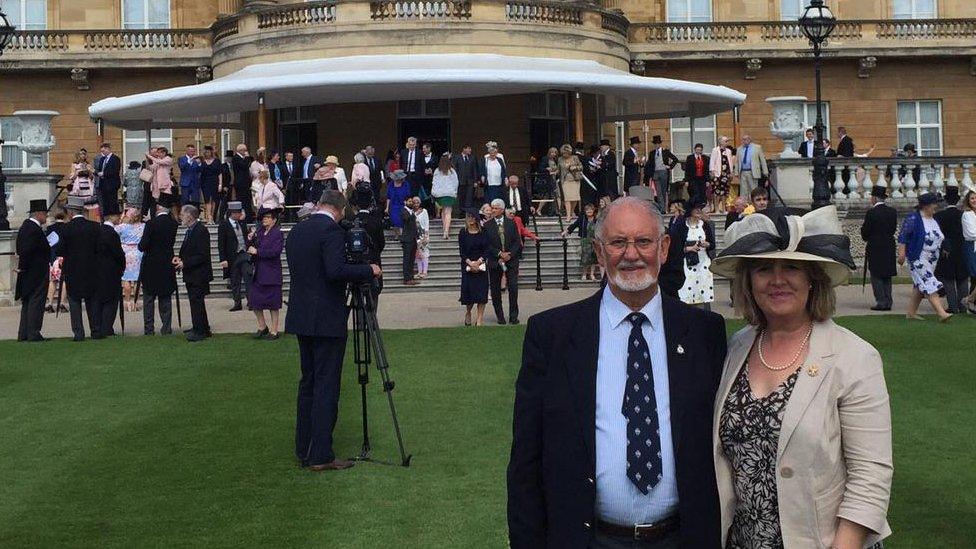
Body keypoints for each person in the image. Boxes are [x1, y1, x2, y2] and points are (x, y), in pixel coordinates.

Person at [508, 196, 728, 548]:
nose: (631, 254)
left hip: (682, 538)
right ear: (598, 251)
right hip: (589, 539)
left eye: (643, 241)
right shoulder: (552, 335)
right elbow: (525, 463)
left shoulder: (704, 333)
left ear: (664, 247)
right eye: (617, 242)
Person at [710, 205, 891, 549]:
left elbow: (870, 479)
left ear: (812, 278)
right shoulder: (736, 347)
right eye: (764, 269)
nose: (778, 279)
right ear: (748, 281)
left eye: (791, 267)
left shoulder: (854, 357)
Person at [285, 189, 381, 471]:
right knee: (326, 384)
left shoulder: (297, 231)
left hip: (302, 315)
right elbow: (335, 270)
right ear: (339, 210)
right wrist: (369, 270)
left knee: (308, 383)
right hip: (326, 318)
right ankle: (321, 454)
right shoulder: (331, 233)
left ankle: (305, 447)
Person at [899, 192, 952, 322]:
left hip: (932, 259)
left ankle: (911, 313)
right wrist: (901, 253)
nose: (936, 206)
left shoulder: (934, 220)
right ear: (926, 206)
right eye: (934, 204)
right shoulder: (914, 218)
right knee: (929, 282)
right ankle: (941, 313)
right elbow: (903, 236)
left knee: (920, 285)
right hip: (918, 257)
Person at [59, 196, 102, 341]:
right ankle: (95, 330)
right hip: (91, 268)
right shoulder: (94, 227)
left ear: (70, 212)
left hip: (73, 269)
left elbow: (61, 250)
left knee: (74, 302)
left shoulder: (66, 229)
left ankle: (78, 332)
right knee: (92, 301)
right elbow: (99, 249)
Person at [138, 193, 179, 336]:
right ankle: (166, 327)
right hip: (166, 263)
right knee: (165, 297)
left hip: (151, 264)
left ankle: (149, 329)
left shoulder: (151, 224)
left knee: (149, 298)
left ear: (159, 208)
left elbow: (143, 245)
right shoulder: (173, 224)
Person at [176, 205, 214, 341]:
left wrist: (185, 263)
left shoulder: (200, 231)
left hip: (199, 273)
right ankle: (201, 326)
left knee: (197, 301)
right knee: (195, 302)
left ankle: (200, 330)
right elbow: (187, 249)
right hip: (192, 273)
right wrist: (180, 258)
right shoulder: (190, 230)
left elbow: (202, 255)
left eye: (182, 214)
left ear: (189, 216)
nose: (180, 216)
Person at [16, 199, 50, 342]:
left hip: (29, 271)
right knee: (36, 301)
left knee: (28, 302)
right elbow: (27, 251)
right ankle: (33, 332)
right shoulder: (32, 229)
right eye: (45, 214)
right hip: (36, 271)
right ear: (39, 214)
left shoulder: (26, 227)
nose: (46, 217)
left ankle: (24, 332)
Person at [247, 207, 284, 339]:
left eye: (267, 217)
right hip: (259, 272)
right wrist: (250, 239)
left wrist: (258, 252)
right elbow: (252, 247)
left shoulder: (277, 234)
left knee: (273, 304)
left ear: (274, 220)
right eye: (264, 217)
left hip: (272, 272)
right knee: (254, 301)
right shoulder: (260, 232)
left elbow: (275, 252)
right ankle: (262, 326)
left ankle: (274, 330)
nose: (264, 219)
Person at [672, 199, 715, 308]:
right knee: (688, 290)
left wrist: (707, 244)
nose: (698, 211)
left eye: (700, 209)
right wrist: (689, 248)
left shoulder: (704, 225)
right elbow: (675, 246)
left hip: (703, 262)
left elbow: (712, 244)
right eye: (696, 208)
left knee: (703, 290)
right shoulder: (681, 225)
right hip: (688, 263)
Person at [860, 186, 898, 311]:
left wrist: (865, 234)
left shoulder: (871, 213)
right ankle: (888, 300)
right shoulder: (892, 212)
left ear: (875, 198)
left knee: (876, 274)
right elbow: (893, 229)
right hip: (888, 244)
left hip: (875, 245)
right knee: (887, 274)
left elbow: (866, 231)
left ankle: (881, 300)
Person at [485, 198, 522, 324]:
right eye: (492, 208)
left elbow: (517, 241)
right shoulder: (487, 225)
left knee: (513, 287)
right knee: (495, 290)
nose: (493, 211)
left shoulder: (511, 223)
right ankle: (500, 316)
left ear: (501, 209)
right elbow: (487, 244)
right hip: (495, 261)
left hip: (511, 260)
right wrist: (499, 254)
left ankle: (513, 316)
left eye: (495, 208)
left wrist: (509, 254)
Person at [934, 187, 970, 314]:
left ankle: (953, 306)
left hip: (947, 250)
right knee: (962, 278)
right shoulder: (964, 215)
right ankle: (963, 306)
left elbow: (938, 235)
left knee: (948, 280)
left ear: (945, 200)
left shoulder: (939, 216)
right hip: (962, 249)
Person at [218, 201, 251, 311]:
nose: (240, 214)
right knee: (235, 280)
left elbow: (245, 238)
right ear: (232, 213)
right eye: (238, 212)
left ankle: (251, 301)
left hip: (244, 254)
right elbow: (221, 243)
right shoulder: (224, 225)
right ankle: (237, 302)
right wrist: (223, 259)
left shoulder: (242, 223)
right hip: (232, 256)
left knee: (248, 277)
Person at [96, 212, 125, 336]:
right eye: (117, 215)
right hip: (111, 271)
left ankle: (99, 325)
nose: (119, 217)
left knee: (100, 300)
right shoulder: (112, 233)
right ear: (111, 217)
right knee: (111, 300)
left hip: (98, 270)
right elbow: (118, 253)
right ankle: (107, 327)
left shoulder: (98, 231)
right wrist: (122, 266)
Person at [458, 208, 489, 326]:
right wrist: (470, 263)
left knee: (481, 293)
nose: (470, 219)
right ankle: (468, 312)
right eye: (468, 217)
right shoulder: (463, 232)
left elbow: (486, 249)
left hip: (481, 264)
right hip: (467, 264)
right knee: (469, 293)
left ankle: (480, 318)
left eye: (472, 217)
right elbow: (462, 251)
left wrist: (479, 262)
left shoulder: (483, 232)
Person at [116, 208, 145, 312]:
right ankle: (136, 301)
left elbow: (113, 230)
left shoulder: (122, 227)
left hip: (126, 253)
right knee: (137, 279)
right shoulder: (143, 226)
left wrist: (121, 219)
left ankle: (127, 302)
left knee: (127, 279)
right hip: (138, 253)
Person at [562, 202, 600, 281]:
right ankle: (584, 274)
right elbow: (574, 225)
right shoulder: (582, 218)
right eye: (587, 210)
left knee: (593, 257)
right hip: (585, 240)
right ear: (585, 211)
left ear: (593, 211)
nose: (589, 211)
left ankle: (592, 274)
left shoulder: (596, 219)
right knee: (585, 257)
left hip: (594, 240)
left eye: (590, 210)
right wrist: (566, 231)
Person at [44, 206, 68, 314]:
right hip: (64, 257)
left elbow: (48, 244)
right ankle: (62, 303)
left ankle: (50, 303)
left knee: (52, 281)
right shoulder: (67, 227)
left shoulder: (50, 228)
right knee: (64, 282)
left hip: (53, 257)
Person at [646, 135, 680, 211]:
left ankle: (664, 207)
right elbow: (649, 164)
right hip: (655, 173)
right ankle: (662, 209)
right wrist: (650, 174)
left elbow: (675, 159)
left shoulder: (665, 151)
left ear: (660, 144)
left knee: (663, 190)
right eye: (655, 144)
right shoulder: (652, 153)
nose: (656, 145)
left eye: (658, 143)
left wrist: (670, 166)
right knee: (658, 191)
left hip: (663, 172)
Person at [431, 152, 458, 238]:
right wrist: (455, 192)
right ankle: (446, 231)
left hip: (440, 194)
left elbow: (434, 182)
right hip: (449, 193)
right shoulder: (452, 171)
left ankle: (444, 228)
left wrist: (434, 192)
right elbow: (456, 182)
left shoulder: (437, 171)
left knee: (443, 211)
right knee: (448, 212)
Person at [736, 135, 768, 199]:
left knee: (753, 190)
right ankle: (745, 206)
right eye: (743, 139)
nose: (744, 141)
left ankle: (753, 206)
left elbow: (762, 161)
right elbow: (737, 161)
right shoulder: (739, 149)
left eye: (746, 139)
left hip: (753, 171)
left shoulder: (757, 147)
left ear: (749, 140)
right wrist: (736, 172)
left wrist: (765, 172)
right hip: (743, 172)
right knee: (743, 190)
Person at [557, 143, 583, 222]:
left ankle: (571, 213)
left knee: (575, 198)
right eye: (564, 153)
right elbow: (559, 169)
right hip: (565, 181)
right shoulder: (560, 159)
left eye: (567, 153)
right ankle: (568, 216)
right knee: (567, 199)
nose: (565, 155)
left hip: (575, 180)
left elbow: (581, 167)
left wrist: (575, 167)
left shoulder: (575, 158)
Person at [709, 136, 735, 215]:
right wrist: (712, 171)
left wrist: (731, 172)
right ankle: (716, 208)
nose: (727, 142)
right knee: (717, 191)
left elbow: (730, 162)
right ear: (721, 142)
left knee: (725, 192)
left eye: (727, 141)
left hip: (726, 174)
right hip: (717, 173)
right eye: (725, 141)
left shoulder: (728, 151)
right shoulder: (715, 150)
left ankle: (723, 208)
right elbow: (712, 161)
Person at [96, 143, 122, 216]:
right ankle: (106, 218)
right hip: (103, 184)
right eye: (102, 151)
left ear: (108, 149)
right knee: (105, 203)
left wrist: (104, 174)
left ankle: (114, 217)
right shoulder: (102, 159)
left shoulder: (115, 159)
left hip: (112, 184)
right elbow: (99, 170)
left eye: (103, 151)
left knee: (112, 202)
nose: (103, 153)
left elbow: (115, 171)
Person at [400, 195, 420, 286]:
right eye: (409, 201)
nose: (411, 203)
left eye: (412, 201)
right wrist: (413, 214)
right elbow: (406, 219)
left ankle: (411, 277)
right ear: (405, 202)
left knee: (412, 259)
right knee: (407, 259)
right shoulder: (404, 210)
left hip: (413, 238)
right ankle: (406, 278)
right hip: (406, 239)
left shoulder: (412, 212)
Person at [199, 145, 222, 223]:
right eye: (206, 152)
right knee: (207, 200)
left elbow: (220, 173)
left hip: (214, 182)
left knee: (214, 200)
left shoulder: (217, 161)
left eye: (209, 152)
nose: (207, 153)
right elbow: (200, 172)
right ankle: (209, 217)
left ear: (211, 152)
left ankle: (212, 215)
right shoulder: (202, 162)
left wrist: (220, 184)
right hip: (205, 182)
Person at [68, 151, 96, 215]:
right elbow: (72, 177)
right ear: (78, 155)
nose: (83, 156)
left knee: (86, 207)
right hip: (78, 186)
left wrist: (89, 172)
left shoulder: (88, 164)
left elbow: (92, 177)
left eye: (84, 154)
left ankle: (86, 219)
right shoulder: (74, 164)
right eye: (81, 154)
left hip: (87, 186)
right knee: (77, 206)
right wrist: (77, 172)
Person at [231, 144, 254, 221]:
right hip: (241, 183)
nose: (246, 152)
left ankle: (248, 216)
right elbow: (244, 166)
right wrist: (247, 157)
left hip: (246, 183)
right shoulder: (236, 158)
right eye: (245, 150)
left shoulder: (243, 158)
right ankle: (243, 216)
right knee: (242, 200)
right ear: (241, 150)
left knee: (247, 200)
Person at [962, 190, 976, 312]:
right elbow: (970, 234)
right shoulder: (967, 215)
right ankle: (970, 302)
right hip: (972, 247)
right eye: (972, 198)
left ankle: (969, 300)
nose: (974, 200)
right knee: (974, 276)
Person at [385, 169, 410, 237]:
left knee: (401, 221)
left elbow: (408, 196)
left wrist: (407, 203)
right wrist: (387, 208)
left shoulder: (405, 184)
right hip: (393, 206)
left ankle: (401, 235)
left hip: (402, 205)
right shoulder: (391, 184)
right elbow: (388, 197)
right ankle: (397, 234)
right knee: (394, 221)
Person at [453, 144, 478, 211]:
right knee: (461, 197)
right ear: (464, 149)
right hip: (460, 181)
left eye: (470, 149)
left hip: (470, 181)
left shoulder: (472, 157)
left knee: (469, 197)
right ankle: (461, 212)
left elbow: (475, 170)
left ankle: (468, 212)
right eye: (468, 148)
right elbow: (454, 169)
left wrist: (475, 181)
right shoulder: (457, 157)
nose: (470, 150)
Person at [282, 151, 302, 222]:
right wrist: (282, 187)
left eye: (292, 156)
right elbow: (282, 176)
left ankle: (295, 218)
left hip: (295, 187)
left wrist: (300, 184)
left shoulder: (296, 165)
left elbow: (299, 174)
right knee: (287, 203)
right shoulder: (282, 165)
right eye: (289, 156)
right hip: (286, 187)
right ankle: (286, 219)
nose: (291, 158)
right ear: (286, 157)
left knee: (295, 202)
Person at [413, 197, 431, 279]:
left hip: (423, 234)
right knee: (417, 254)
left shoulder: (424, 211)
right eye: (414, 202)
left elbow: (426, 223)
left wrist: (426, 235)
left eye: (417, 202)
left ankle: (425, 272)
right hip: (415, 234)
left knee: (424, 253)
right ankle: (419, 271)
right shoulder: (412, 212)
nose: (416, 204)